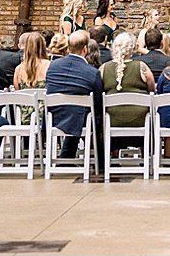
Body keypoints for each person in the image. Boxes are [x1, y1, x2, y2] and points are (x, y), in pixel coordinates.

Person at [44, 30, 104, 160]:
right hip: (80, 121)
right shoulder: (92, 72)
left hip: (54, 117)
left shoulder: (53, 67)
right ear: (85, 49)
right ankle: (100, 157)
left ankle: (67, 156)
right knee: (96, 114)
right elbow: (98, 101)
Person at [99, 32, 155, 143]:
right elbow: (152, 91)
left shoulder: (104, 68)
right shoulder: (142, 67)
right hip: (140, 120)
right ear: (132, 49)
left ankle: (113, 155)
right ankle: (144, 154)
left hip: (112, 120)